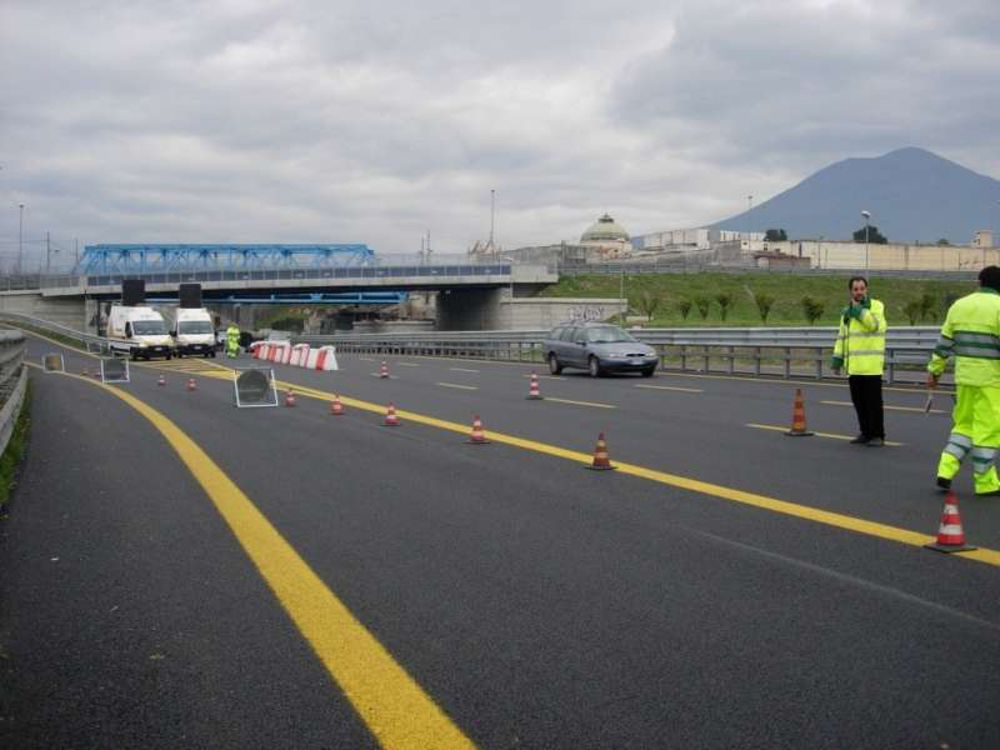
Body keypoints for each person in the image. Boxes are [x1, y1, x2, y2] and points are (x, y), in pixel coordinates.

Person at [926, 265, 1000, 496]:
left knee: (964, 426)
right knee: (987, 431)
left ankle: (945, 470)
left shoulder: (959, 306)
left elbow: (944, 344)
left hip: (964, 379)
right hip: (991, 380)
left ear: (979, 282)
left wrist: (934, 371)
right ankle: (986, 482)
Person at [831, 276, 887, 446]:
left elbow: (874, 325)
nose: (859, 292)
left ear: (867, 289)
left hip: (871, 367)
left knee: (874, 403)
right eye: (856, 289)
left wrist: (858, 311)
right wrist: (837, 359)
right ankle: (865, 432)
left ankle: (878, 434)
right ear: (851, 291)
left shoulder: (876, 306)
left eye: (862, 288)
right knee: (859, 402)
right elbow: (842, 337)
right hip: (854, 367)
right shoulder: (846, 312)